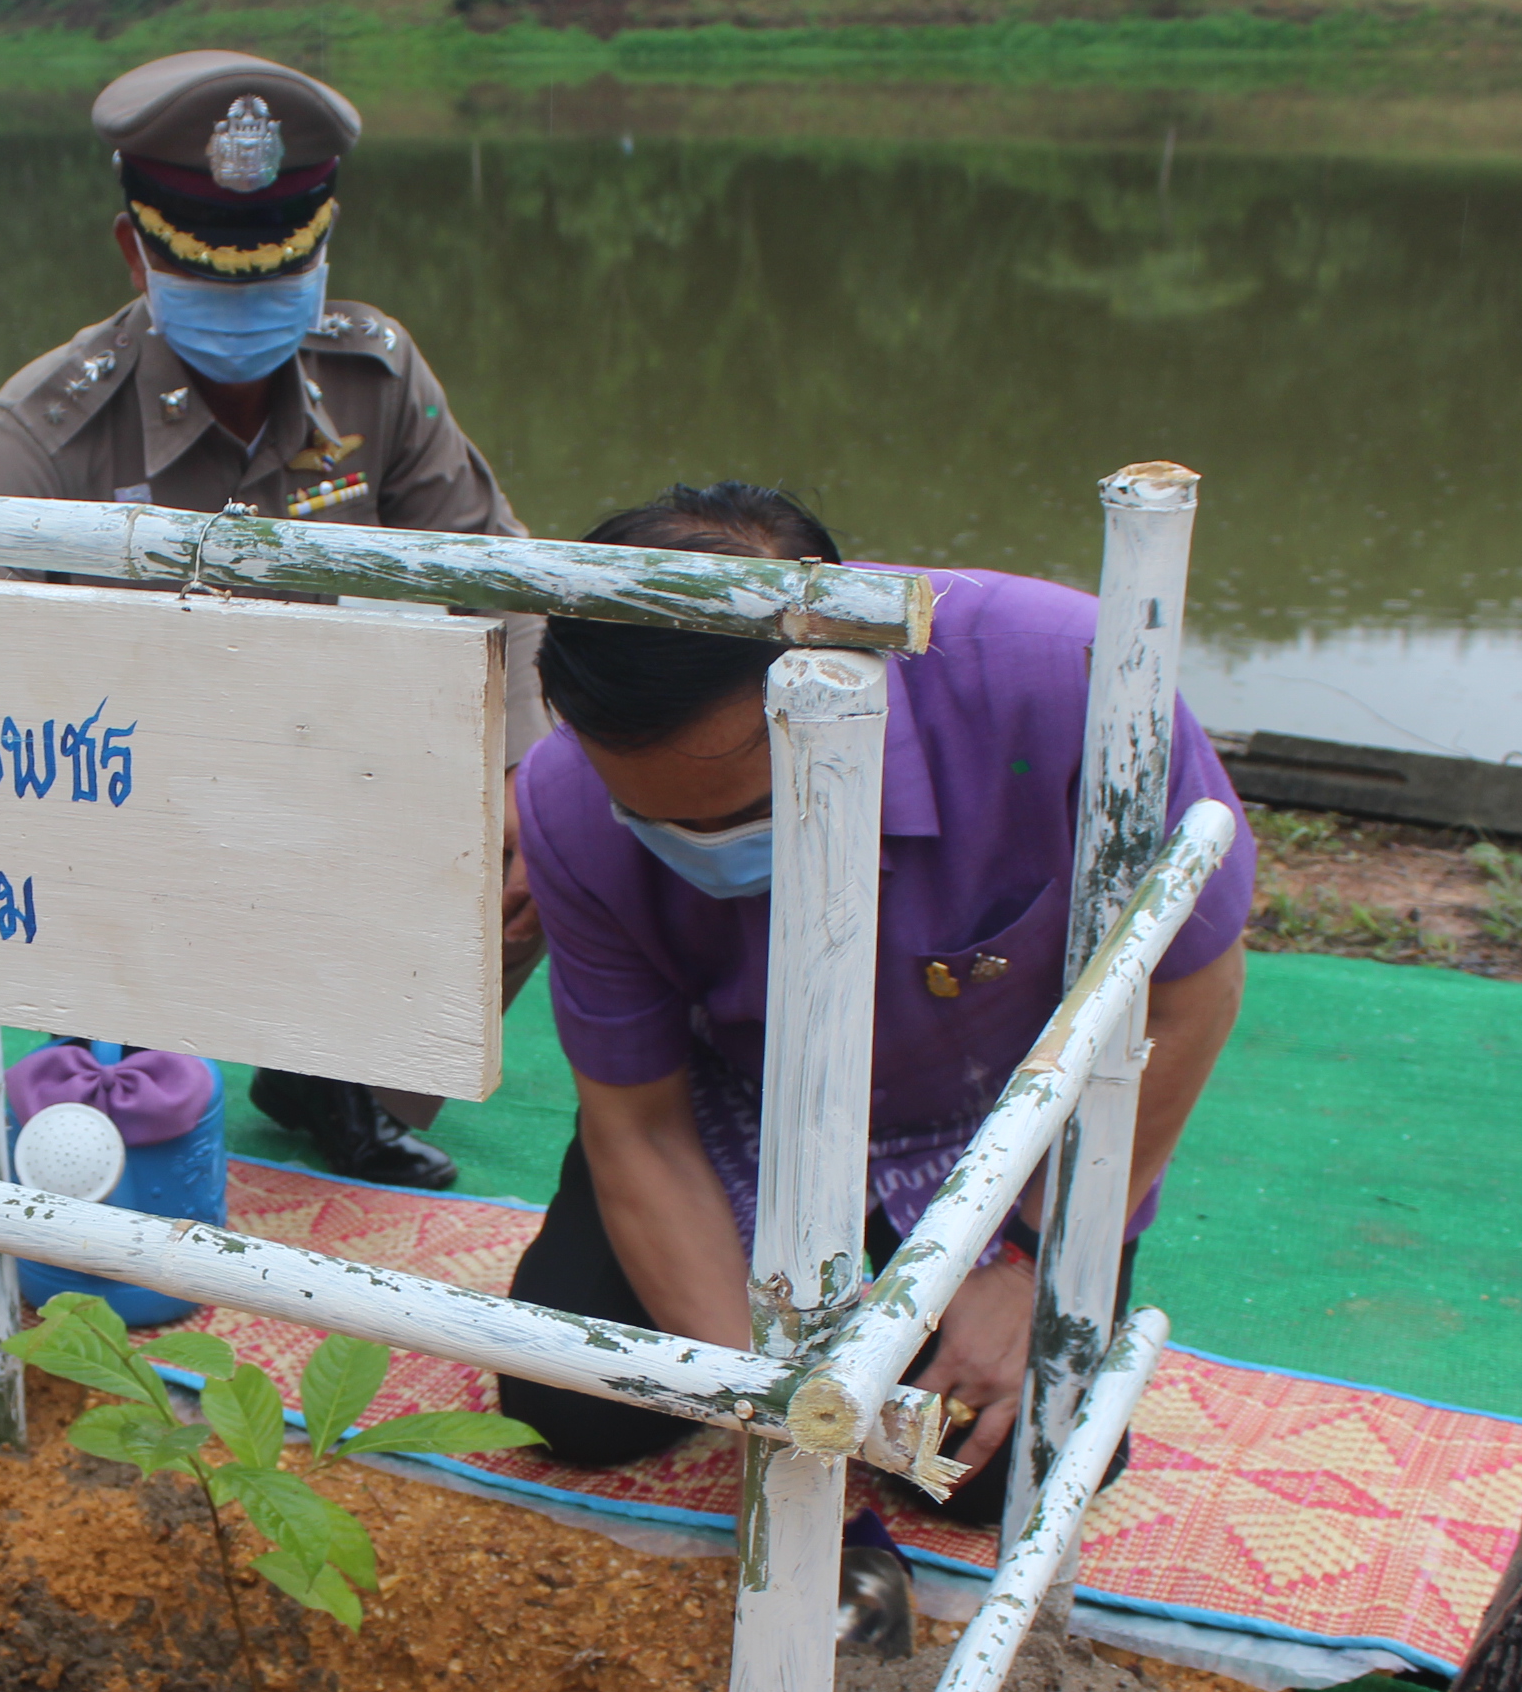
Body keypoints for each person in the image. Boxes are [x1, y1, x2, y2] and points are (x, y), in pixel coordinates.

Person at [496, 483, 1255, 1490]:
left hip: (1001, 1129)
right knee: (570, 1406)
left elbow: (1189, 993)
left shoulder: (1069, 681)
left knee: (992, 1463)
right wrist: (769, 1411)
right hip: (750, 1107)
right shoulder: (564, 799)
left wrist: (1029, 1260)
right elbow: (637, 1124)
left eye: (747, 809)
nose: (702, 852)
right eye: (652, 819)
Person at [0, 51, 548, 1192]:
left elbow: (503, 578)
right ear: (135, 250)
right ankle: (103, 1055)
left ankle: (349, 1082)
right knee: (124, 1153)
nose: (252, 310)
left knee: (548, 827)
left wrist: (530, 767)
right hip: (118, 792)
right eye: (214, 277)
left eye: (280, 272)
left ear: (321, 249)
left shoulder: (372, 376)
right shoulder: (38, 439)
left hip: (312, 764)